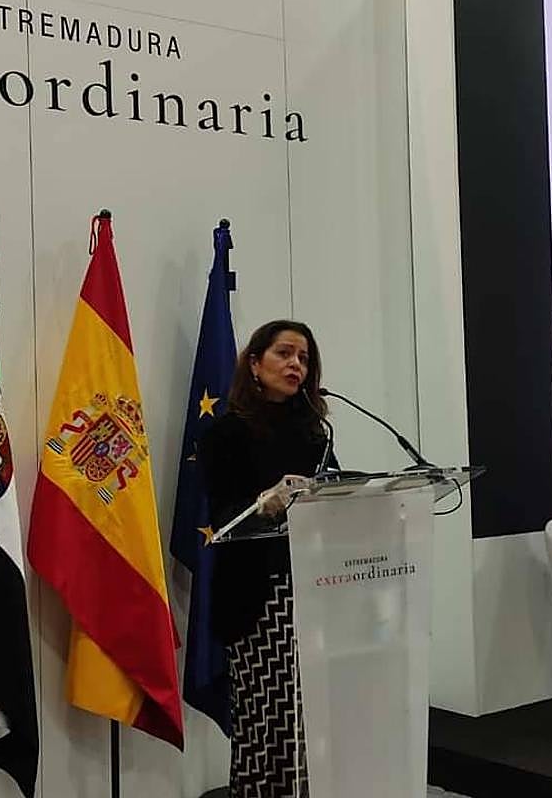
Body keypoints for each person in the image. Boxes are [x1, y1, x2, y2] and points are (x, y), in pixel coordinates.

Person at [199, 320, 334, 798]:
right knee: (267, 718)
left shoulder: (315, 433)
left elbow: (333, 496)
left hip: (314, 586)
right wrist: (264, 503)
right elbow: (222, 517)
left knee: (309, 717)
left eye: (303, 357)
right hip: (258, 595)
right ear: (254, 363)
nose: (296, 364)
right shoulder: (225, 433)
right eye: (284, 353)